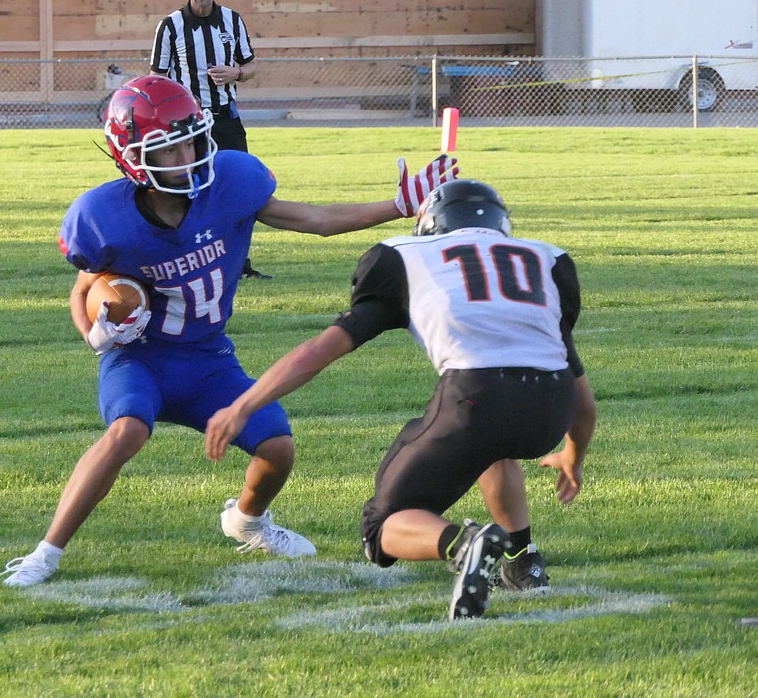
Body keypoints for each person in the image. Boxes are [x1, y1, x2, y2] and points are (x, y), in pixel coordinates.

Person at [1, 74, 459, 587]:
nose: (187, 157)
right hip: (142, 357)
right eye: (170, 151)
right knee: (127, 430)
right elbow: (83, 288)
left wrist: (397, 206)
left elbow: (317, 218)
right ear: (130, 156)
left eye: (191, 142)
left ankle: (248, 522)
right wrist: (94, 333)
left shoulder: (231, 182)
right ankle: (46, 552)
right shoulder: (101, 217)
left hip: (209, 358)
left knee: (278, 448)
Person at [205, 180, 597, 619]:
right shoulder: (546, 259)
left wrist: (242, 406)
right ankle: (522, 562)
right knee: (493, 447)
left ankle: (465, 544)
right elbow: (581, 396)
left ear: (430, 223)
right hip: (552, 403)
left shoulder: (406, 257)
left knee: (382, 526)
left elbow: (318, 352)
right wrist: (572, 456)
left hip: (477, 397)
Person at [150, 0, 268, 279]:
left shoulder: (232, 20)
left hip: (226, 119)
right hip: (189, 127)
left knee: (239, 188)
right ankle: (189, 261)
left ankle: (240, 264)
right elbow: (156, 77)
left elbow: (252, 65)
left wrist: (236, 73)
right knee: (190, 193)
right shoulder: (171, 26)